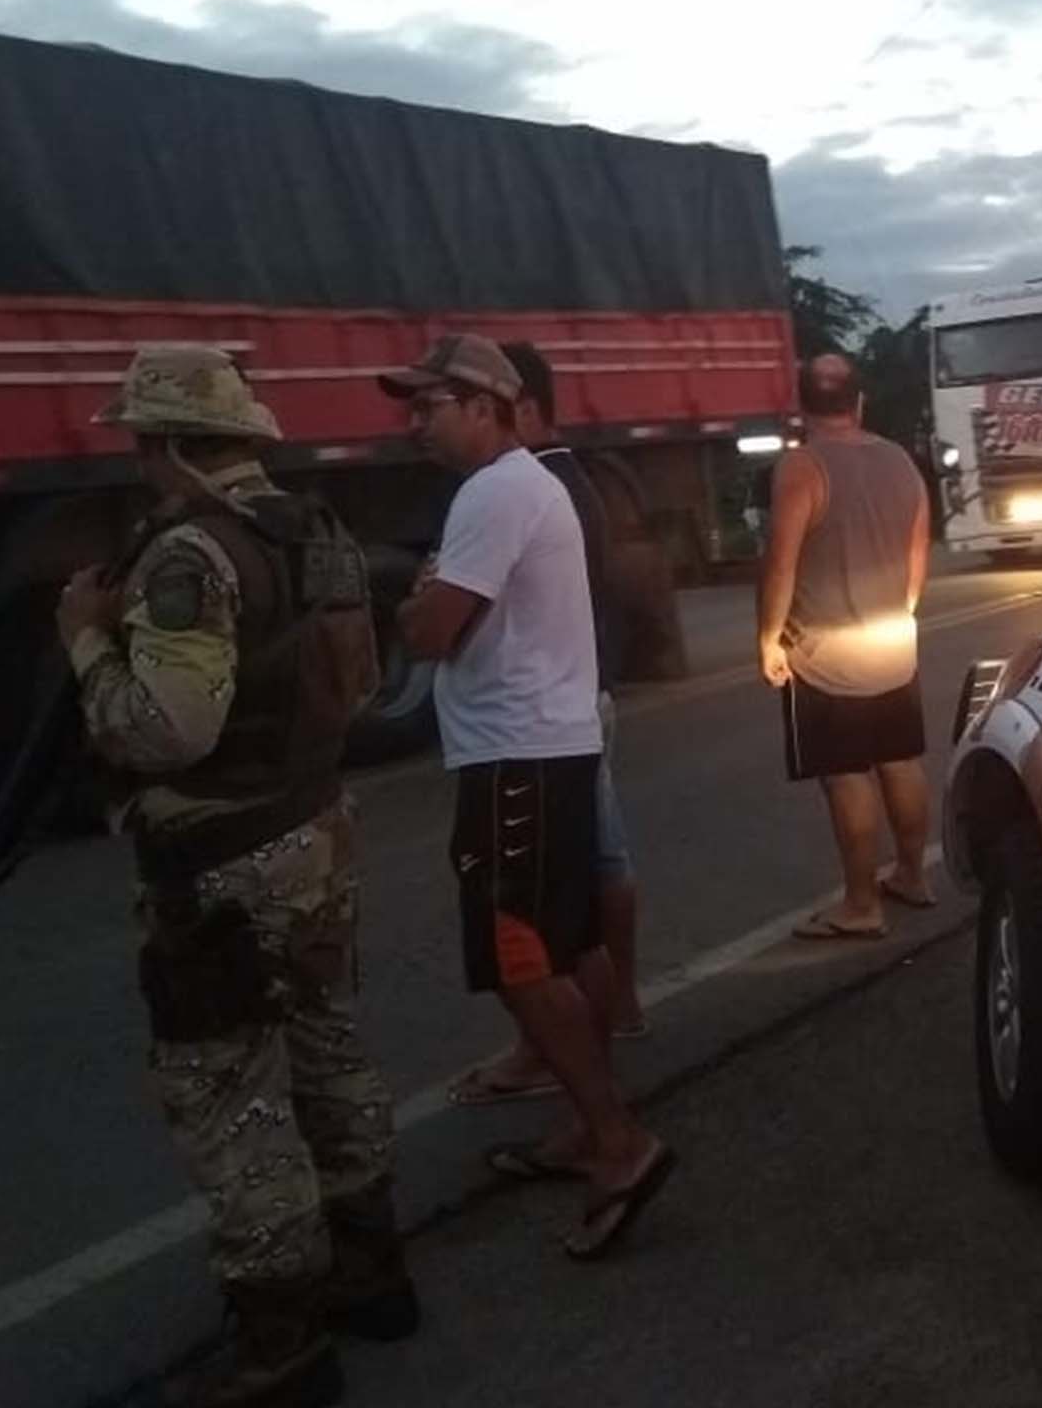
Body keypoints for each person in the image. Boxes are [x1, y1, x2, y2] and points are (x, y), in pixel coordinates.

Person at [57, 345, 412, 1408]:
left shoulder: (188, 557)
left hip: (219, 860)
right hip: (314, 827)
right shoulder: (317, 532)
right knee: (328, 1044)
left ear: (165, 443)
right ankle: (372, 1270)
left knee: (232, 1096)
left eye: (140, 441)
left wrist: (84, 644)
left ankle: (283, 1340)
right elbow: (363, 685)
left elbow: (168, 728)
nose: (135, 459)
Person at [381, 333, 673, 1259]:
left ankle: (619, 1143)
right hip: (551, 744)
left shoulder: (493, 491)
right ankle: (594, 1124)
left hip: (514, 756)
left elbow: (432, 631)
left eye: (429, 406)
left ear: (485, 407)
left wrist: (413, 605)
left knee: (521, 957)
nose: (414, 424)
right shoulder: (529, 487)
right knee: (572, 938)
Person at [446, 342, 647, 1104]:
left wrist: (426, 604)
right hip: (573, 705)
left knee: (551, 915)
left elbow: (440, 625)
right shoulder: (571, 482)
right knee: (584, 884)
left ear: (516, 406)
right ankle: (607, 1030)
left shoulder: (523, 487)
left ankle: (573, 1072)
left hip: (542, 723)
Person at [757, 351, 937, 939]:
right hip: (892, 638)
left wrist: (768, 639)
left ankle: (862, 904)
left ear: (800, 407)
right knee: (900, 758)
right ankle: (912, 873)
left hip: (826, 649)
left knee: (845, 773)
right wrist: (900, 612)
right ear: (860, 403)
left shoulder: (801, 469)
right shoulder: (901, 463)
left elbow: (780, 565)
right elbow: (917, 562)